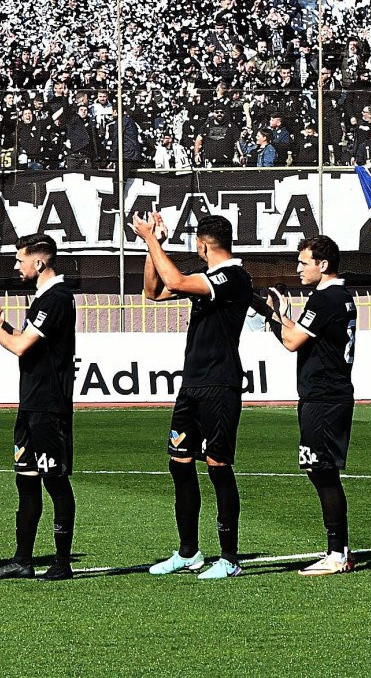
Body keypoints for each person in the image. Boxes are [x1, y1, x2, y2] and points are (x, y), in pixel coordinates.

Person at [132, 209, 254, 579]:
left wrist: (151, 240)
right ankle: (188, 552)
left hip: (220, 384)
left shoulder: (233, 277)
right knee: (179, 463)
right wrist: (155, 248)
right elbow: (152, 291)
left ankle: (229, 559)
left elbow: (179, 281)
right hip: (193, 385)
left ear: (203, 245)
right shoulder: (208, 276)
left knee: (217, 467)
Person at [0, 232, 77, 581]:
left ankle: (62, 563)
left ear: (39, 262)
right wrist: (1, 323)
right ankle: (23, 560)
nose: (16, 266)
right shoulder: (43, 299)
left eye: (20, 260)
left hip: (50, 407)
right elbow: (25, 341)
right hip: (32, 405)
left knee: (56, 483)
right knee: (27, 481)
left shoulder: (58, 298)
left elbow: (20, 347)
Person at [265, 235, 358, 575]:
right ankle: (339, 550)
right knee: (317, 468)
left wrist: (273, 317)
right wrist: (285, 317)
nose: (298, 269)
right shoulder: (335, 297)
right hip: (324, 394)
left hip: (324, 396)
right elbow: (302, 334)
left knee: (322, 469)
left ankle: (338, 552)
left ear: (324, 265)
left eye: (304, 263)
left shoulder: (328, 298)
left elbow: (291, 342)